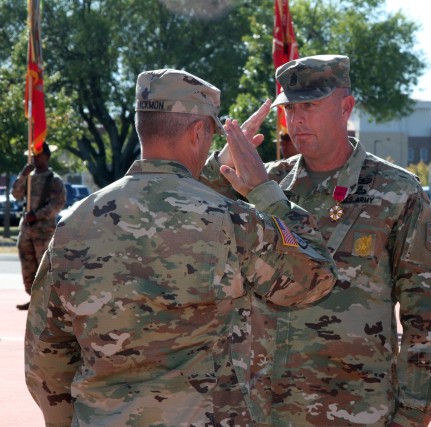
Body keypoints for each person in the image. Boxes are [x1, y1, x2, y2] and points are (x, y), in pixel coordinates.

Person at [24, 68, 338, 426]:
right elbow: (316, 278)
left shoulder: (74, 223)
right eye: (210, 134)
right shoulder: (233, 221)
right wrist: (265, 189)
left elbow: (46, 357)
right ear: (199, 131)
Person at [202, 55, 431, 426]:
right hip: (265, 408)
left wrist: (413, 412)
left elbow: (426, 315)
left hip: (355, 409)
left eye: (311, 106)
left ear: (346, 108)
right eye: (290, 108)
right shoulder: (263, 184)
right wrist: (222, 163)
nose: (297, 119)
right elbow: (186, 208)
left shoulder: (397, 192)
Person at [11, 142, 66, 310]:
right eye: (33, 154)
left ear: (47, 156)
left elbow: (57, 204)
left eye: (39, 154)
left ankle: (48, 302)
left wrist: (37, 214)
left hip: (43, 231)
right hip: (26, 230)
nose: (35, 157)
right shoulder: (29, 177)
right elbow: (16, 195)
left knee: (45, 267)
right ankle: (34, 298)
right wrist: (22, 176)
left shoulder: (54, 180)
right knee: (28, 267)